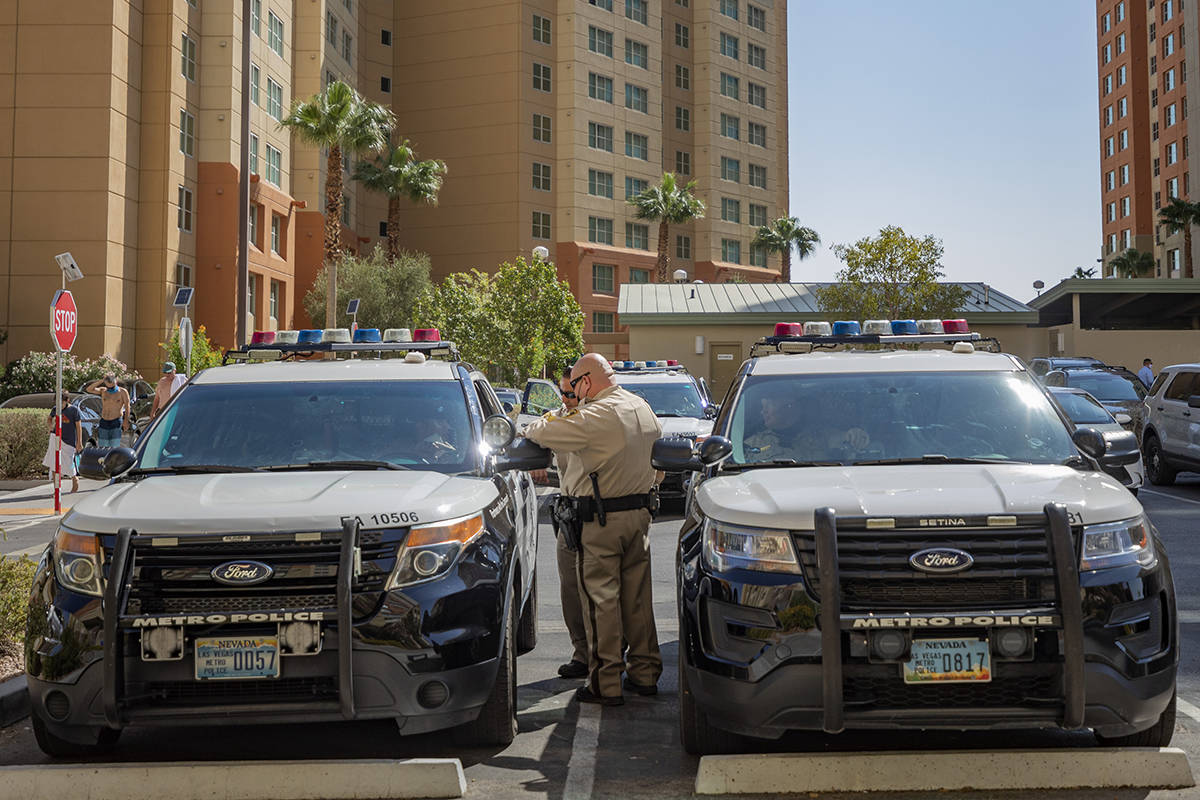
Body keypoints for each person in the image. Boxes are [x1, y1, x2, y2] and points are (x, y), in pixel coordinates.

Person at [522, 353, 663, 706]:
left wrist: (543, 419)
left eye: (574, 386)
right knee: (637, 600)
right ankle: (645, 673)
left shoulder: (596, 414)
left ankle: (606, 682)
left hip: (600, 521)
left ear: (585, 381)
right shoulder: (642, 408)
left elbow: (543, 431)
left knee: (600, 600)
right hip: (639, 515)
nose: (574, 393)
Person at [530, 376, 590, 679]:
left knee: (603, 591)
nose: (566, 399)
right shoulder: (558, 420)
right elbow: (532, 431)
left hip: (600, 515)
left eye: (571, 394)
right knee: (570, 588)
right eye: (562, 394)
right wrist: (536, 457)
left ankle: (615, 654)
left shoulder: (597, 419)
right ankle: (582, 653)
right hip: (569, 513)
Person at [744, 393, 869, 462]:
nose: (763, 412)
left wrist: (856, 435)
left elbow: (850, 438)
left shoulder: (822, 436)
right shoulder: (752, 444)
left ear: (789, 406)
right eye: (762, 406)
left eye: (769, 405)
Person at [42, 391, 82, 494]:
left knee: (68, 462)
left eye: (61, 402)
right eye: (57, 402)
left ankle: (74, 479)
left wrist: (79, 442)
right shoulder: (55, 409)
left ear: (67, 400)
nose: (59, 405)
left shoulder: (74, 410)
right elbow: (50, 418)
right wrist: (50, 426)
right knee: (53, 462)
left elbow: (78, 427)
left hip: (69, 441)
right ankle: (57, 488)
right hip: (55, 437)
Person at [84, 373, 131, 448]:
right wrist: (101, 380)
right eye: (109, 387)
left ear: (116, 382)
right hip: (104, 421)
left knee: (114, 446)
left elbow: (127, 406)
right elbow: (89, 389)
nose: (111, 389)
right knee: (102, 446)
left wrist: (126, 421)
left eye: (112, 387)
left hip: (116, 421)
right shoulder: (103, 391)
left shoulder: (122, 392)